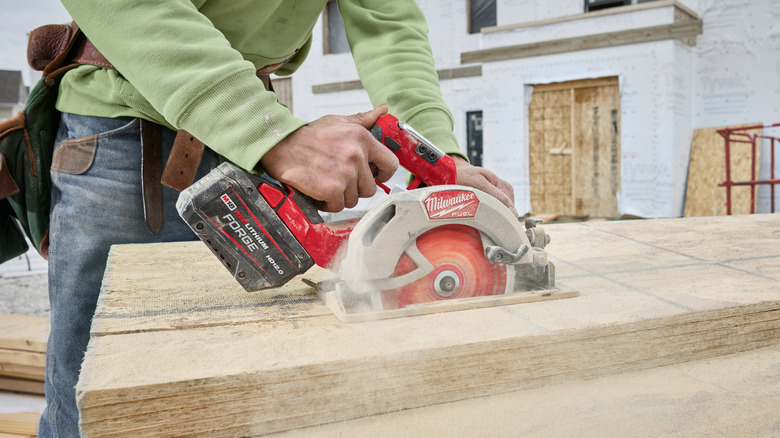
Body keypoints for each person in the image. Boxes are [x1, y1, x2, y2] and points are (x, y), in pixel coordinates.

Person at [40, 1, 517, 436]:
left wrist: (439, 161)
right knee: (102, 406)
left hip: (247, 139)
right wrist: (272, 134)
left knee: (229, 402)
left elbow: (388, 24)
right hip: (128, 134)